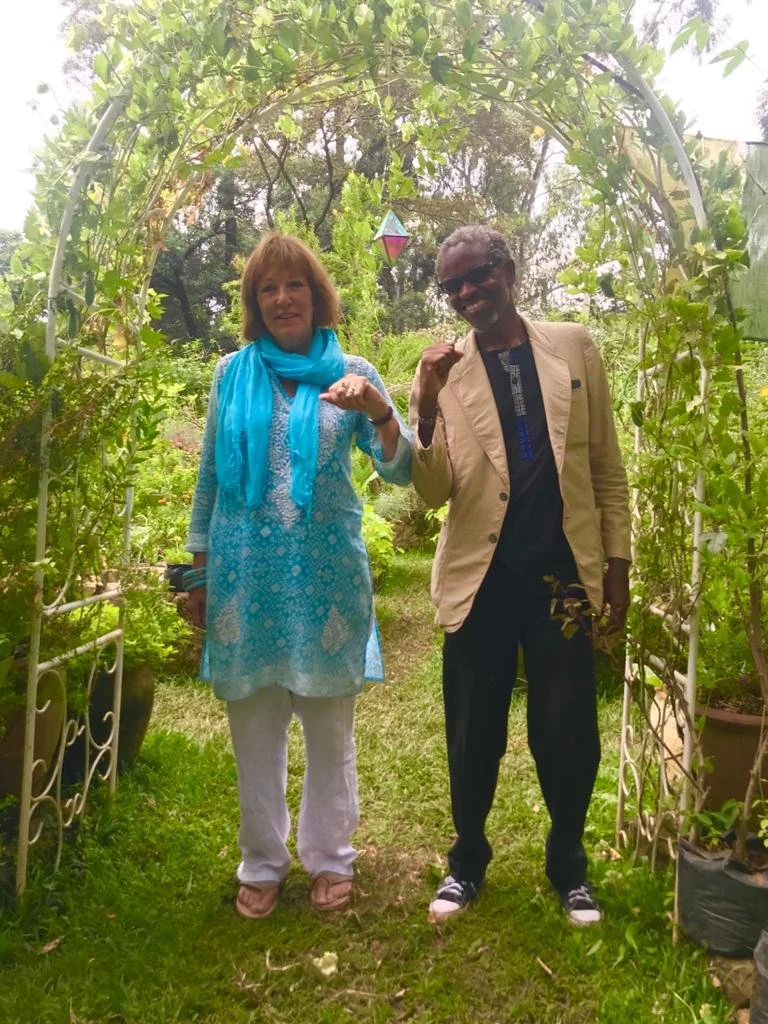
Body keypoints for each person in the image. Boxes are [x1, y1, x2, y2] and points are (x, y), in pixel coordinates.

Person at [409, 225, 630, 926]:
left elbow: (606, 467)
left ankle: (569, 867)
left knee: (567, 731)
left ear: (509, 269)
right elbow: (432, 491)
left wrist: (617, 566)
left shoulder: (573, 346)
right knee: (473, 732)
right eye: (452, 286)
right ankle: (466, 862)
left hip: (563, 578)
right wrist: (423, 403)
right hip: (482, 580)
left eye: (477, 275)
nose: (467, 293)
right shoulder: (446, 369)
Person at [186, 232, 411, 919]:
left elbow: (400, 468)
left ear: (317, 295)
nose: (282, 298)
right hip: (245, 578)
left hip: (326, 580)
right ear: (255, 303)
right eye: (268, 288)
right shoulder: (231, 373)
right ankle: (261, 860)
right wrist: (197, 575)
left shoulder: (353, 372)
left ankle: (330, 856)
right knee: (253, 729)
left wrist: (377, 409)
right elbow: (209, 477)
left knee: (328, 729)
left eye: (295, 285)